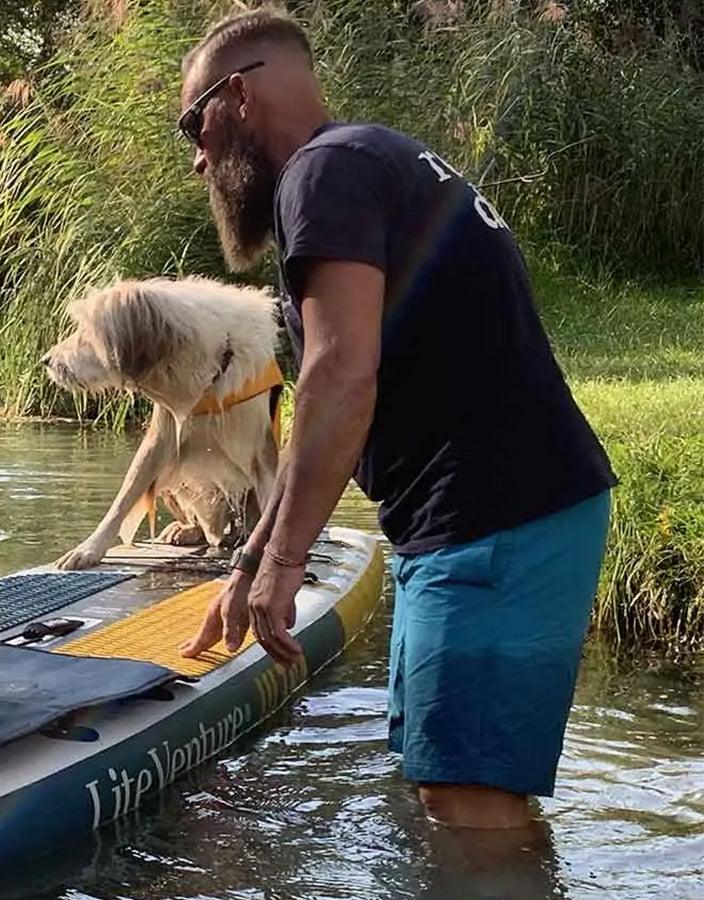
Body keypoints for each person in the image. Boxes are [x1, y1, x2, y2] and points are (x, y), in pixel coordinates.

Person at [174, 8, 616, 830]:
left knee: (472, 810)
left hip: (497, 520)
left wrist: (287, 564)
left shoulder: (324, 174)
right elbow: (319, 405)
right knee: (446, 793)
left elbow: (343, 375)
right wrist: (250, 564)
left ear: (238, 97)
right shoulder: (369, 159)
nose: (198, 157)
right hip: (475, 523)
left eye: (192, 126)